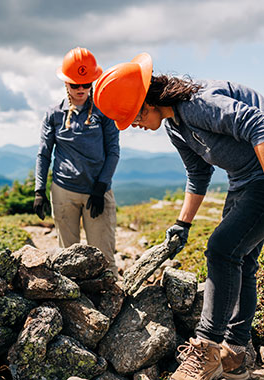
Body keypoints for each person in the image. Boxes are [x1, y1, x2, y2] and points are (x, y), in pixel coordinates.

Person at [93, 52, 264, 380]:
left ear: (147, 103)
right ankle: (235, 355)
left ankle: (206, 349)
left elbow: (256, 123)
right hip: (243, 180)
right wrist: (182, 224)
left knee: (222, 249)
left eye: (134, 118)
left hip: (261, 176)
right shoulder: (175, 127)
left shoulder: (197, 104)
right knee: (241, 258)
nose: (137, 126)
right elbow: (198, 175)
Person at [34, 47, 120, 276]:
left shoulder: (104, 112)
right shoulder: (54, 115)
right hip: (64, 193)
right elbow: (44, 153)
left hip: (98, 192)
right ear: (66, 84)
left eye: (86, 84)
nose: (81, 89)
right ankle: (75, 307)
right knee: (67, 259)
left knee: (104, 258)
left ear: (93, 82)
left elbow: (113, 152)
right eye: (75, 85)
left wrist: (102, 186)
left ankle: (113, 305)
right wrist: (39, 190)